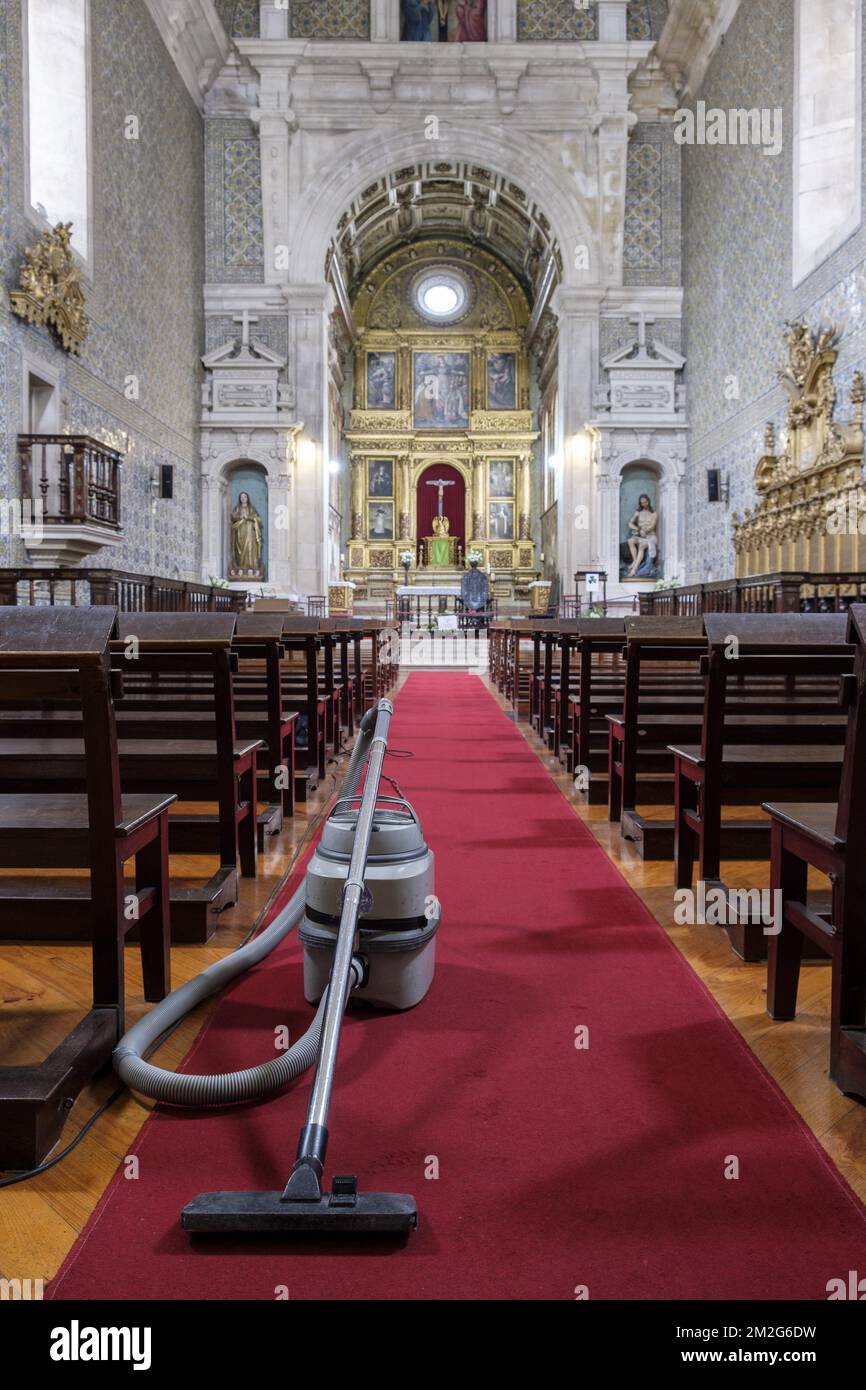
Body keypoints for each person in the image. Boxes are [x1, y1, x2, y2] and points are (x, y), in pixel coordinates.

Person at [625, 494, 659, 578]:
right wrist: (638, 529)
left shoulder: (653, 513)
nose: (644, 504)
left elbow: (653, 526)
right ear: (640, 503)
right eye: (642, 503)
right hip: (641, 536)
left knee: (641, 545)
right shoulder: (638, 512)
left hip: (651, 537)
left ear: (648, 501)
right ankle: (635, 561)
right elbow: (630, 523)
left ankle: (634, 570)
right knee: (630, 541)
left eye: (645, 502)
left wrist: (645, 530)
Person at [230, 491, 263, 577]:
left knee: (250, 548)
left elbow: (257, 518)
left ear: (247, 498)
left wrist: (248, 517)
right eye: (241, 497)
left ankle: (251, 568)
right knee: (240, 549)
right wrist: (240, 517)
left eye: (245, 497)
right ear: (240, 499)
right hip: (240, 532)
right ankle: (241, 567)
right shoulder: (237, 508)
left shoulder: (251, 508)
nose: (243, 498)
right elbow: (233, 517)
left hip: (250, 531)